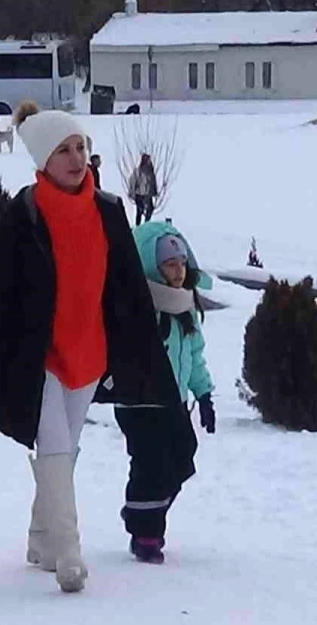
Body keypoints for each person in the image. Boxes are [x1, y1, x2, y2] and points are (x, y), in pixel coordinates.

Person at [0, 109, 183, 594]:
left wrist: (147, 357)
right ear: (42, 160)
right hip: (37, 357)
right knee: (54, 446)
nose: (77, 158)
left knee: (64, 449)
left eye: (80, 147)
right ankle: (69, 551)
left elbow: (129, 291)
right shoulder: (22, 215)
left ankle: (40, 539)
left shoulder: (110, 210)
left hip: (90, 352)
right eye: (63, 151)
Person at [112, 221, 210, 563]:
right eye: (170, 264)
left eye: (181, 263)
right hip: (140, 400)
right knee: (151, 465)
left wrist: (204, 394)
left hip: (173, 400)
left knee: (183, 457)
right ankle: (147, 534)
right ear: (154, 266)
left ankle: (140, 513)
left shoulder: (184, 307)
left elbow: (194, 354)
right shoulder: (141, 305)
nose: (178, 271)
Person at [129, 153, 158, 225]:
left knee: (150, 209)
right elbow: (132, 181)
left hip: (148, 194)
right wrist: (132, 192)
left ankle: (146, 224)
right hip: (140, 193)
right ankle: (138, 226)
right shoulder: (138, 171)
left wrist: (154, 192)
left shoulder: (150, 172)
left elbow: (153, 182)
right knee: (139, 211)